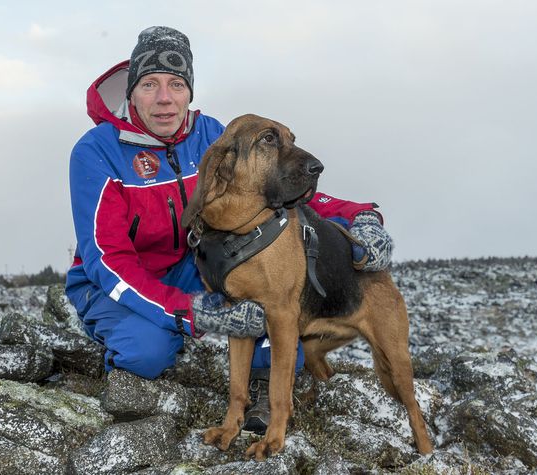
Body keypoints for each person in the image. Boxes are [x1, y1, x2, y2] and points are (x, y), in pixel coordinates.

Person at [65, 26, 393, 435]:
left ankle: (260, 384)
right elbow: (106, 257)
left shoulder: (211, 136)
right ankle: (115, 332)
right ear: (132, 91)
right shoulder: (96, 151)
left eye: (176, 84)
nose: (164, 99)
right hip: (116, 279)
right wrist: (191, 313)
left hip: (195, 266)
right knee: (146, 354)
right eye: (150, 84)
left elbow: (275, 191)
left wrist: (359, 216)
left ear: (189, 91)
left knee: (280, 308)